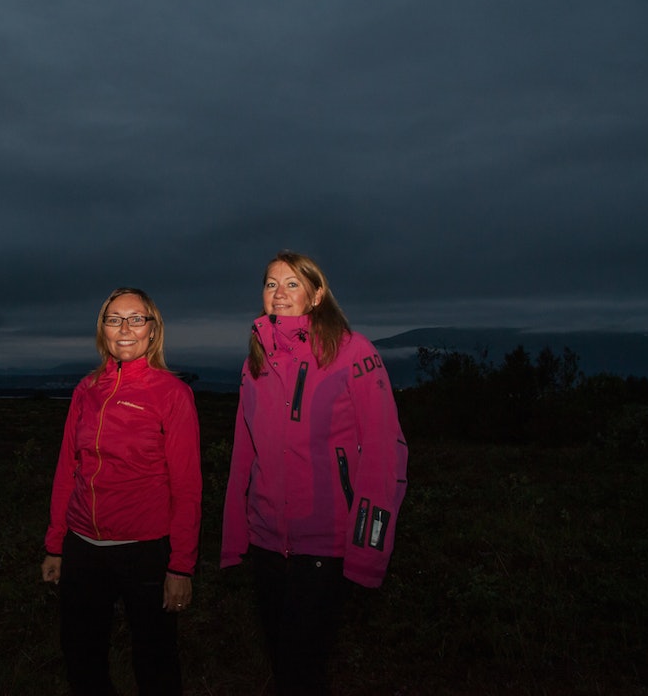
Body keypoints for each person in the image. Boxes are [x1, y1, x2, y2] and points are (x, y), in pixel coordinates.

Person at [220, 251, 408, 696]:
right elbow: (243, 453)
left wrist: (368, 551)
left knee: (300, 672)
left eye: (291, 284)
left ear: (317, 294)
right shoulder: (255, 363)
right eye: (270, 284)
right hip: (267, 542)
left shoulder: (354, 353)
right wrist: (234, 539)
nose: (279, 293)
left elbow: (385, 456)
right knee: (283, 665)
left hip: (326, 542)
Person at [42, 287, 202, 696]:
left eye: (136, 318)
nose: (125, 327)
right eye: (114, 319)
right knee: (81, 656)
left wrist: (180, 566)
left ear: (153, 329)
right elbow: (67, 470)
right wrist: (56, 545)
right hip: (83, 547)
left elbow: (187, 487)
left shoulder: (172, 394)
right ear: (103, 330)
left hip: (144, 550)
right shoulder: (87, 389)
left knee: (156, 661)